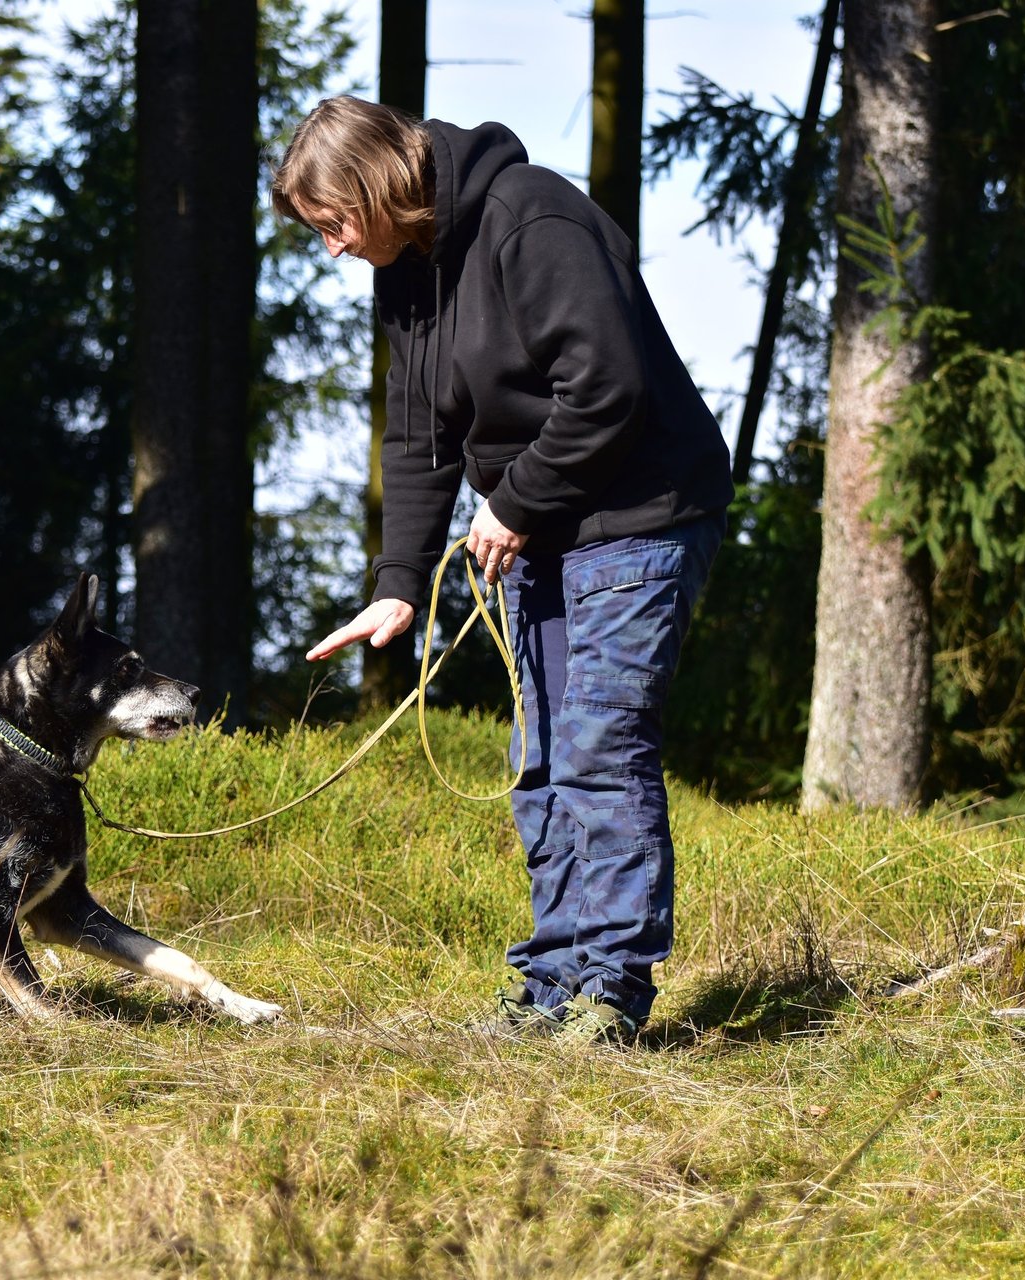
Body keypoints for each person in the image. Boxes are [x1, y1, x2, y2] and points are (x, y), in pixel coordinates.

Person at [272, 96, 732, 1044]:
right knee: (541, 763)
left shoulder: (534, 217)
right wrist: (398, 584)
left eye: (335, 223)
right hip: (540, 534)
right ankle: (553, 984)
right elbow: (417, 437)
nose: (334, 248)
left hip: (638, 519)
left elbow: (607, 388)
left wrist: (516, 500)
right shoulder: (405, 273)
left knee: (600, 754)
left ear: (378, 186)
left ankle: (612, 993)